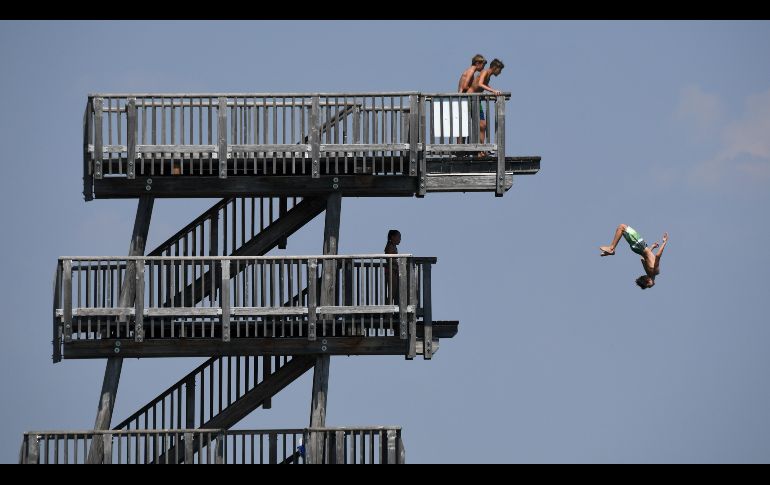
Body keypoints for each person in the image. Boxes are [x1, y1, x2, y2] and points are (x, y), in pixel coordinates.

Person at [599, 224, 669, 289]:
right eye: (648, 286)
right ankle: (611, 249)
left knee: (621, 227)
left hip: (640, 245)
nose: (649, 287)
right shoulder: (649, 272)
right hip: (637, 249)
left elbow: (657, 256)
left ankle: (611, 249)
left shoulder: (655, 272)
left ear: (648, 280)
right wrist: (652, 247)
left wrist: (664, 242)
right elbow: (642, 258)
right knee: (622, 229)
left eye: (648, 286)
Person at [468, 58, 505, 156]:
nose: (500, 73)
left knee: (483, 125)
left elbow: (484, 85)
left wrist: (492, 91)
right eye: (500, 70)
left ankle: (481, 149)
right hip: (470, 99)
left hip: (477, 100)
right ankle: (478, 150)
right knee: (474, 124)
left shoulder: (488, 76)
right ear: (495, 68)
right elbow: (480, 84)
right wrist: (493, 91)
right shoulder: (484, 72)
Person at [384, 229, 401, 304]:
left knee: (396, 291)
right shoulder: (390, 246)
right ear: (392, 237)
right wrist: (398, 262)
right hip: (391, 271)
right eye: (398, 237)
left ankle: (394, 305)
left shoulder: (394, 246)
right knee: (392, 291)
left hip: (394, 270)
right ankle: (389, 306)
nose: (400, 239)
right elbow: (389, 258)